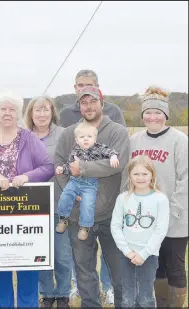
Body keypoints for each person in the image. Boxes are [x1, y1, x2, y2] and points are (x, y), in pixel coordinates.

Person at [0, 93, 54, 308]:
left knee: (28, 273)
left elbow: (47, 167)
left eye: (12, 109)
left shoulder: (28, 138)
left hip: (27, 215)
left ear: (18, 113)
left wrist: (26, 177)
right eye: (3, 109)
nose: (7, 113)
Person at [55, 86, 129, 307]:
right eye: (84, 103)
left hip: (111, 214)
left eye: (92, 102)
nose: (88, 106)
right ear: (79, 107)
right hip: (78, 216)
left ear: (102, 104)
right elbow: (60, 164)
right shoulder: (70, 133)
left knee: (119, 272)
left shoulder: (116, 131)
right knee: (85, 272)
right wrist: (74, 190)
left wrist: (83, 168)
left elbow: (116, 164)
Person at [125, 86, 188, 307]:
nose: (152, 117)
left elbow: (185, 178)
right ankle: (161, 304)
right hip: (146, 218)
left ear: (165, 115)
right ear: (142, 116)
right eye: (148, 113)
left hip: (174, 217)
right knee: (156, 265)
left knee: (175, 267)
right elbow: (129, 176)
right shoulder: (135, 140)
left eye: (157, 112)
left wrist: (174, 211)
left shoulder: (179, 140)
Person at [24, 95, 72, 308]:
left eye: (46, 110)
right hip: (32, 206)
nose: (42, 114)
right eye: (37, 110)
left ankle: (63, 294)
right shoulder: (23, 137)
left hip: (60, 202)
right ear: (30, 114)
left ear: (52, 112)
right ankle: (47, 294)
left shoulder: (65, 135)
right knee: (40, 253)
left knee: (62, 255)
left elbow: (75, 164)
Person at [112, 155, 169, 308]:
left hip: (149, 255)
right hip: (126, 255)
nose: (140, 178)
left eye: (145, 174)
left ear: (152, 175)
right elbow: (116, 226)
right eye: (136, 174)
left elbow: (160, 229)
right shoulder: (122, 198)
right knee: (127, 297)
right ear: (129, 176)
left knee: (145, 297)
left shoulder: (160, 199)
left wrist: (144, 253)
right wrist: (127, 251)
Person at [55, 121, 119, 240]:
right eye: (82, 137)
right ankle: (63, 219)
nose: (86, 139)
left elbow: (110, 151)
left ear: (95, 139)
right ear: (76, 139)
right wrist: (61, 169)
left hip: (90, 184)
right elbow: (69, 166)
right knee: (64, 197)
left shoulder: (98, 148)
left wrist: (113, 157)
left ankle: (85, 227)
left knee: (87, 205)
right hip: (74, 182)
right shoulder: (75, 151)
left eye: (89, 137)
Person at [59, 69, 125, 127]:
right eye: (80, 85)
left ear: (97, 87)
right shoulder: (65, 114)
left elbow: (122, 137)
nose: (84, 89)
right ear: (75, 88)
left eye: (89, 85)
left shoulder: (113, 111)